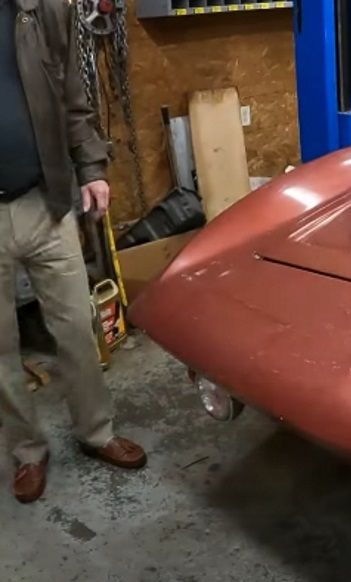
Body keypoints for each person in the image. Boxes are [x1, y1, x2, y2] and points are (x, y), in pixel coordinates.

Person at [0, 0, 147, 504]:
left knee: (77, 330)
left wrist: (92, 167)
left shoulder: (42, 10)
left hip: (47, 200)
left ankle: (96, 432)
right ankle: (26, 453)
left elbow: (72, 97)